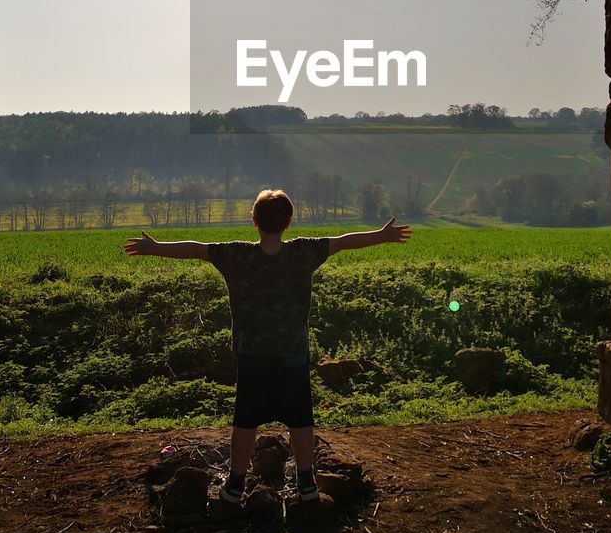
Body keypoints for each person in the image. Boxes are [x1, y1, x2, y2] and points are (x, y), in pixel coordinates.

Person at [123, 188, 411, 503]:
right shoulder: (303, 252)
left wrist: (154, 247)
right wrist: (382, 236)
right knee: (301, 420)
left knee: (245, 420)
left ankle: (234, 486)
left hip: (252, 354)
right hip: (293, 354)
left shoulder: (236, 255)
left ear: (254, 221)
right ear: (289, 223)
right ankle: (306, 485)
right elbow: (343, 241)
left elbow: (195, 249)